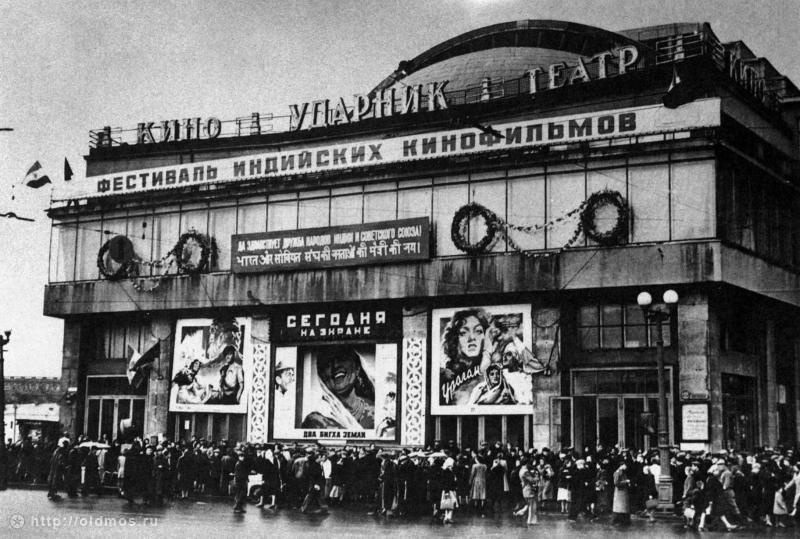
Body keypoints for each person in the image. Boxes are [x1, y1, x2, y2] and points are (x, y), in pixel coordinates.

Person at [301, 347, 376, 431]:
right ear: (322, 378)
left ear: (357, 368)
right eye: (327, 363)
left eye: (342, 358)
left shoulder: (377, 412)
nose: (335, 365)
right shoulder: (315, 422)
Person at [520, 459, 540, 526]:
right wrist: (537, 477)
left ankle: (531, 520)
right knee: (531, 506)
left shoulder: (521, 470)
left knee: (530, 505)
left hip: (525, 489)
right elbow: (532, 480)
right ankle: (530, 521)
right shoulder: (525, 471)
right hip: (528, 490)